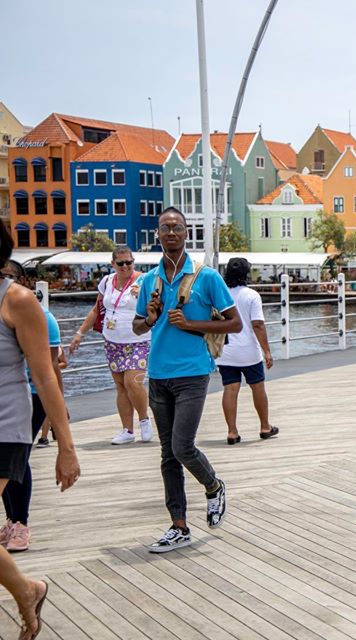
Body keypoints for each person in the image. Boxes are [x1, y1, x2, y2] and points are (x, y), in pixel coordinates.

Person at [133, 208, 242, 553]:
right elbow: (137, 325)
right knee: (167, 455)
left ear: (185, 233)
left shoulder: (206, 277)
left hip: (193, 372)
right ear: (157, 235)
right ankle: (179, 525)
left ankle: (213, 486)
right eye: (165, 228)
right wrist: (149, 318)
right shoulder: (149, 280)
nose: (171, 233)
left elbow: (234, 323)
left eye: (176, 228)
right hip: (159, 374)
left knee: (182, 446)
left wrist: (192, 325)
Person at [0, 221, 80, 638]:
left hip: (4, 426)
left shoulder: (17, 300)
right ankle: (27, 590)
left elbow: (45, 377)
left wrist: (65, 446)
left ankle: (28, 591)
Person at [69, 246, 153, 445]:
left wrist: (144, 297)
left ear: (134, 262)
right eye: (121, 263)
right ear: (113, 264)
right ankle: (127, 430)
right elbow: (96, 310)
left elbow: (157, 306)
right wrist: (80, 333)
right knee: (121, 386)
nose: (125, 267)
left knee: (134, 382)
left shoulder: (145, 280)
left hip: (138, 340)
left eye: (129, 263)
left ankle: (144, 420)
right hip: (112, 340)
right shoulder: (107, 281)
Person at [216, 258, 277, 446]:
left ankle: (232, 432)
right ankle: (265, 427)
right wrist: (267, 351)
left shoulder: (221, 294)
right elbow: (257, 325)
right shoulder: (251, 295)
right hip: (248, 351)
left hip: (225, 350)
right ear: (246, 273)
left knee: (230, 389)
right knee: (257, 387)